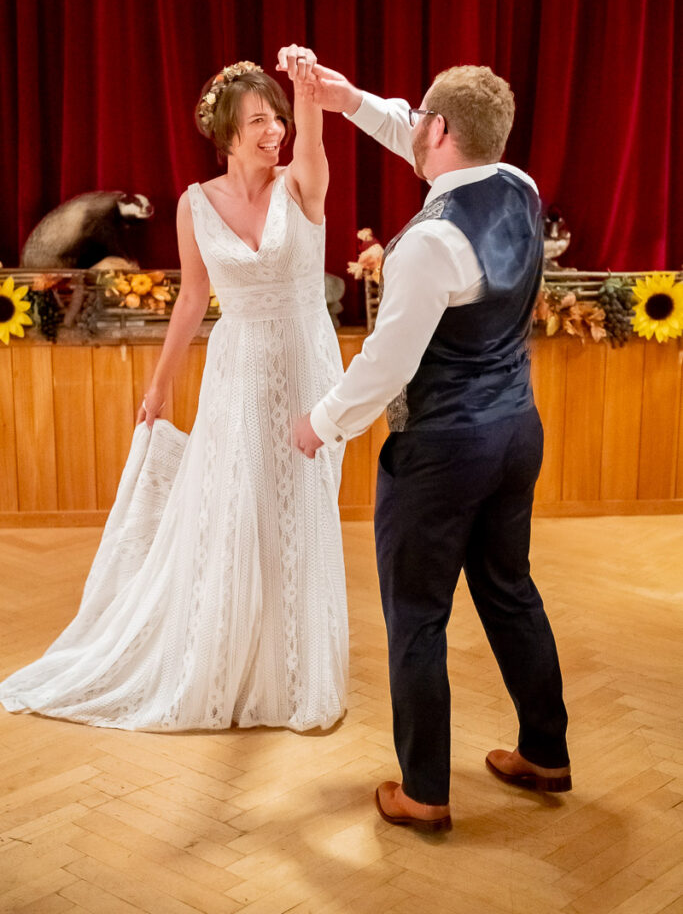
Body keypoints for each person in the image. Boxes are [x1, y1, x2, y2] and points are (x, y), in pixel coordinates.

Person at [0, 45, 348, 733]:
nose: (272, 131)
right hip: (238, 368)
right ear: (225, 133)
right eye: (257, 120)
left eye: (275, 117)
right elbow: (192, 299)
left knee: (299, 511)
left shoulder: (301, 184)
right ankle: (230, 664)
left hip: (308, 367)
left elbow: (311, 136)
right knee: (239, 511)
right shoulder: (196, 205)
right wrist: (159, 388)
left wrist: (303, 87)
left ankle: (294, 671)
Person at [293, 62, 570, 832]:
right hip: (515, 430)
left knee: (417, 615)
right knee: (509, 589)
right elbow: (419, 138)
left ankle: (422, 792)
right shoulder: (517, 183)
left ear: (440, 131)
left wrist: (323, 422)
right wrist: (348, 102)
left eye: (419, 116)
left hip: (443, 451)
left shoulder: (427, 243)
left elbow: (387, 363)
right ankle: (545, 752)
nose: (408, 122)